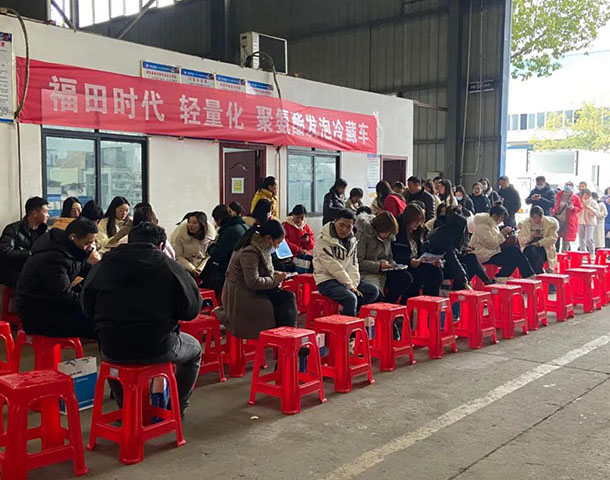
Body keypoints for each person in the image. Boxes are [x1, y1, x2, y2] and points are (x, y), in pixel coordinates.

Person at [82, 222, 202, 418]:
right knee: (195, 350)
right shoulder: (169, 267)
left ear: (130, 241)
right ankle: (176, 408)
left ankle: (126, 409)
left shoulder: (104, 265)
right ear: (161, 246)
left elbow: (87, 307)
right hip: (158, 348)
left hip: (113, 347)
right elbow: (191, 310)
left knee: (110, 355)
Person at [16, 217, 100, 338]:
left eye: (93, 243)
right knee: (101, 324)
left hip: (52, 305)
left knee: (102, 317)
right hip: (37, 315)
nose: (91, 247)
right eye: (87, 243)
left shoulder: (70, 249)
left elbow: (85, 269)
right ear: (73, 237)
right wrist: (93, 301)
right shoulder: (53, 258)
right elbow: (64, 296)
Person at [215, 220, 297, 339]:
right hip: (241, 298)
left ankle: (286, 337)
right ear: (269, 238)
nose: (278, 246)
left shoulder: (261, 247)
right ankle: (286, 338)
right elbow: (253, 282)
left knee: (286, 298)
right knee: (286, 300)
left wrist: (275, 275)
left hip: (249, 292)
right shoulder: (250, 251)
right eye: (278, 242)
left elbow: (261, 272)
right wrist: (275, 280)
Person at [313, 209, 380, 316]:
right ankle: (348, 325)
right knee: (350, 298)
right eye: (341, 225)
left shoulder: (352, 240)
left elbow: (353, 264)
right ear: (335, 221)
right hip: (326, 280)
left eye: (348, 227)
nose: (344, 229)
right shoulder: (323, 239)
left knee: (373, 291)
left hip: (345, 279)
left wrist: (354, 284)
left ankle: (350, 314)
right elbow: (334, 267)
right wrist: (350, 286)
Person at [355, 211, 413, 304]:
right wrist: (379, 265)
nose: (388, 236)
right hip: (367, 272)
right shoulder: (364, 236)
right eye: (386, 233)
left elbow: (389, 256)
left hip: (384, 271)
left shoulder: (387, 238)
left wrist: (393, 265)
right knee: (375, 291)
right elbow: (358, 262)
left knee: (405, 277)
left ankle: (389, 303)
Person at [428, 209, 492, 289]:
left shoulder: (447, 233)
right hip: (438, 265)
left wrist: (462, 250)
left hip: (446, 262)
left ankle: (487, 281)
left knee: (471, 257)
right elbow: (452, 259)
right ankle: (461, 288)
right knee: (463, 267)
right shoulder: (444, 238)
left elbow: (454, 253)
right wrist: (464, 281)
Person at [470, 205, 535, 281]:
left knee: (515, 251)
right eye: (501, 218)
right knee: (515, 255)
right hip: (483, 254)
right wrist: (502, 234)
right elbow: (492, 244)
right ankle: (527, 276)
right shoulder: (482, 226)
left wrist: (503, 235)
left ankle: (503, 277)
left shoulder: (492, 225)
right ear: (495, 216)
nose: (502, 221)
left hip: (492, 252)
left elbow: (495, 241)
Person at [393, 203, 443, 297]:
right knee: (416, 276)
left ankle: (430, 301)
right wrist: (409, 261)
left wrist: (432, 260)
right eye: (415, 221)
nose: (417, 224)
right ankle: (410, 301)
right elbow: (395, 255)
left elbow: (425, 250)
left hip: (418, 262)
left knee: (436, 272)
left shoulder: (420, 231)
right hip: (405, 265)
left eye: (419, 221)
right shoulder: (399, 233)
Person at [0, 197, 49, 288]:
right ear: (34, 213)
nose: (48, 215)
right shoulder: (13, 229)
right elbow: (4, 252)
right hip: (15, 275)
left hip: (35, 273)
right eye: (45, 212)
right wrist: (29, 254)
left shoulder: (45, 231)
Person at [201, 205, 249, 296]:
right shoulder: (244, 226)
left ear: (219, 219)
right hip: (242, 267)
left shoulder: (229, 231)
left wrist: (211, 247)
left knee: (212, 265)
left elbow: (218, 254)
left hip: (231, 269)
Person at [170, 211, 216, 279]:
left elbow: (208, 255)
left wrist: (200, 268)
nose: (190, 225)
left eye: (194, 223)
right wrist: (192, 269)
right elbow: (178, 255)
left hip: (204, 269)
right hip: (183, 268)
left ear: (202, 225)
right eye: (189, 222)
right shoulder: (180, 235)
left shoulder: (210, 237)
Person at [518, 206, 558, 274]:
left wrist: (539, 243)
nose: (537, 220)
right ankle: (539, 273)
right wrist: (531, 237)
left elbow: (553, 238)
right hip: (529, 247)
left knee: (538, 256)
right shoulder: (525, 224)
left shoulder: (550, 223)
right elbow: (521, 240)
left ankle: (536, 273)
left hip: (545, 247)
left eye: (539, 218)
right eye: (534, 218)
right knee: (532, 251)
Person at [551, 181, 583, 252]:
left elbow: (580, 207)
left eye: (569, 185)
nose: (568, 186)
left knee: (566, 239)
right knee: (555, 237)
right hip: (558, 219)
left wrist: (573, 208)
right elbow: (554, 205)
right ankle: (555, 253)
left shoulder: (575, 197)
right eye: (566, 185)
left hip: (568, 221)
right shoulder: (558, 195)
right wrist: (553, 210)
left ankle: (564, 253)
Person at [578, 189, 599, 255]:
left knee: (589, 239)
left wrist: (587, 207)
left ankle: (592, 253)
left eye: (585, 195)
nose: (583, 196)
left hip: (590, 222)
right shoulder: (580, 201)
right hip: (580, 221)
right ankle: (583, 253)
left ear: (588, 195)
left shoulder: (593, 202)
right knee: (581, 239)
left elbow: (596, 212)